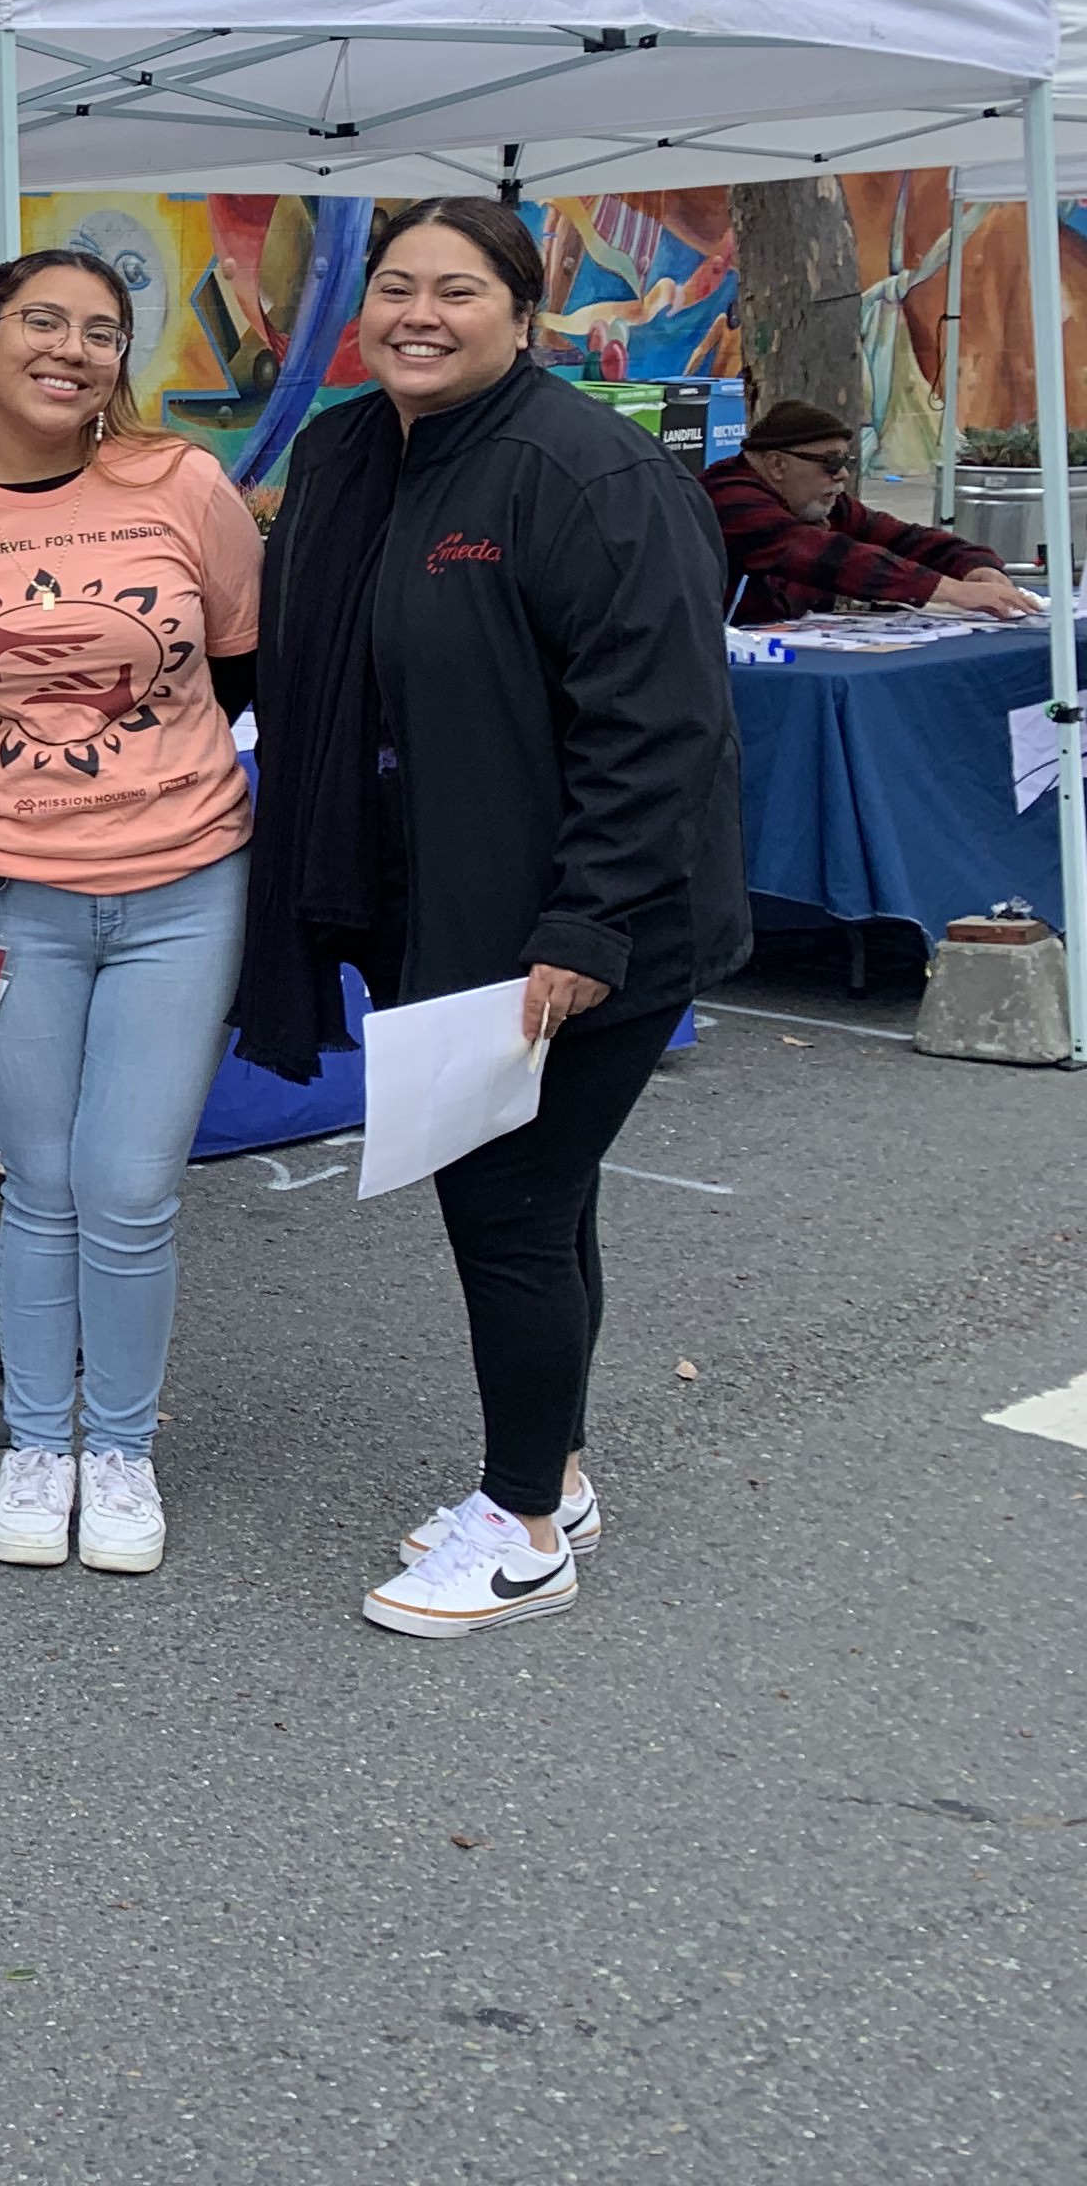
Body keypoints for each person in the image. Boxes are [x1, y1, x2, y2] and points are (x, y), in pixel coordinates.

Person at [240, 203, 749, 1639]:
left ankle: (522, 1530)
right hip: (437, 911)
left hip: (584, 929)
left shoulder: (591, 474)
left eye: (457, 291)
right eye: (394, 285)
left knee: (510, 1204)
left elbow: (661, 732)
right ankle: (561, 1473)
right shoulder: (349, 451)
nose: (418, 312)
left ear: (524, 315)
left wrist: (583, 929)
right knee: (546, 1194)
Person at [0, 249, 262, 1577]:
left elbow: (244, 661)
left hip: (181, 887)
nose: (75, 348)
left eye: (103, 329)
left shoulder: (184, 485)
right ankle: (41, 1444)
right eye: (45, 321)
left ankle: (121, 1452)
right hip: (2, 900)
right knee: (38, 1187)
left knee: (129, 1187)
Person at [705, 399, 1038, 622]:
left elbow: (903, 538)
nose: (842, 474)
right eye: (831, 462)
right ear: (777, 465)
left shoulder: (818, 504)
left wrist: (975, 566)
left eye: (846, 462)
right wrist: (954, 591)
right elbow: (831, 557)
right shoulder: (729, 497)